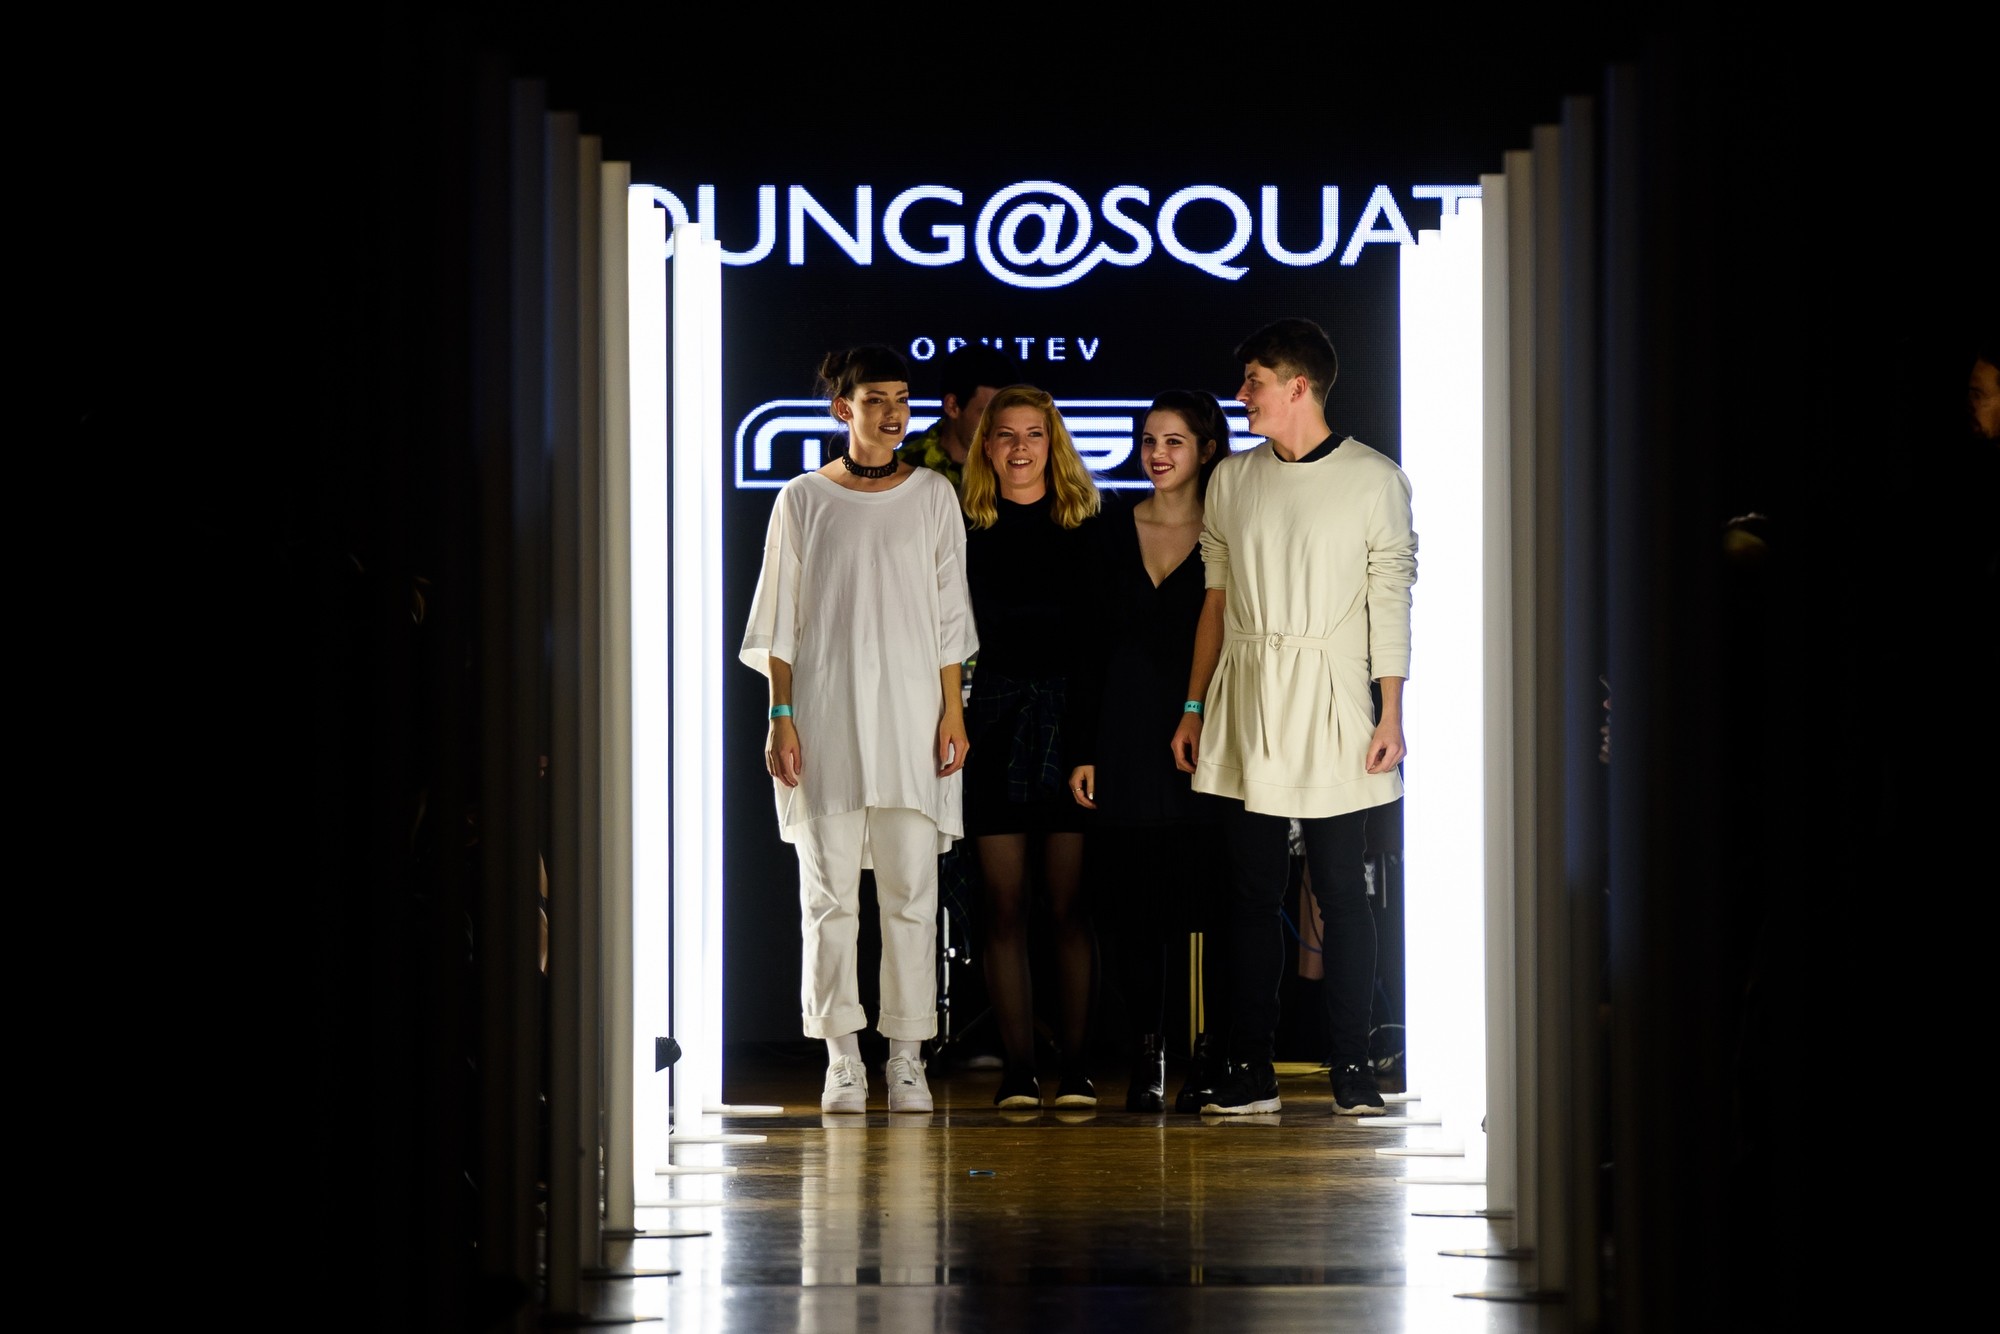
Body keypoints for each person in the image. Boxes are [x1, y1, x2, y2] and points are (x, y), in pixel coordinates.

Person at [1170, 318, 1417, 1117]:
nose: (1242, 395)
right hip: (1246, 695)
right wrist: (1194, 705)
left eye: (1255, 382)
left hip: (1334, 696)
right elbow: (1215, 601)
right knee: (1250, 892)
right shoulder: (1233, 479)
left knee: (1341, 888)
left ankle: (1354, 1065)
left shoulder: (1374, 479)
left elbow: (1390, 601)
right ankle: (1252, 1068)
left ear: (1298, 387)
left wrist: (1391, 711)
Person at [739, 344, 977, 1114]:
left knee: (912, 894)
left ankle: (906, 1057)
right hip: (825, 715)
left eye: (902, 398)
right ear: (844, 408)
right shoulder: (803, 498)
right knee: (829, 897)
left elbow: (950, 615)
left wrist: (952, 709)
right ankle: (842, 1056)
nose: (893, 412)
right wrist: (780, 715)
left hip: (914, 718)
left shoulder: (933, 495)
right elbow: (778, 620)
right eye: (876, 399)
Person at [1066, 391, 1233, 1113]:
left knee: (1209, 906)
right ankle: (1149, 1053)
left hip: (1207, 737)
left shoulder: (1228, 529)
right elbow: (1086, 648)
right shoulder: (1107, 526)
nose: (1157, 454)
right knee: (1133, 911)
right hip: (1123, 737)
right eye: (1148, 440)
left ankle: (1209, 1056)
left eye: (1174, 442)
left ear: (1206, 450)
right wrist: (1083, 748)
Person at [960, 384, 1103, 1108]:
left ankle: (1076, 1070)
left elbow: (1102, 647)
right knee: (1003, 906)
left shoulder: (1087, 526)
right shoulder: (964, 528)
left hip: (1070, 729)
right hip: (991, 725)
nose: (1021, 448)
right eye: (1007, 435)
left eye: (1034, 434)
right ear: (987, 447)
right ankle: (1019, 1071)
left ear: (1054, 444)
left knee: (1069, 907)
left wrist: (1089, 745)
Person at [897, 342, 1021, 491]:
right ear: (952, 406)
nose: (1001, 428)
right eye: (988, 415)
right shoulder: (901, 472)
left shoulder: (1022, 469)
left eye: (1007, 415)